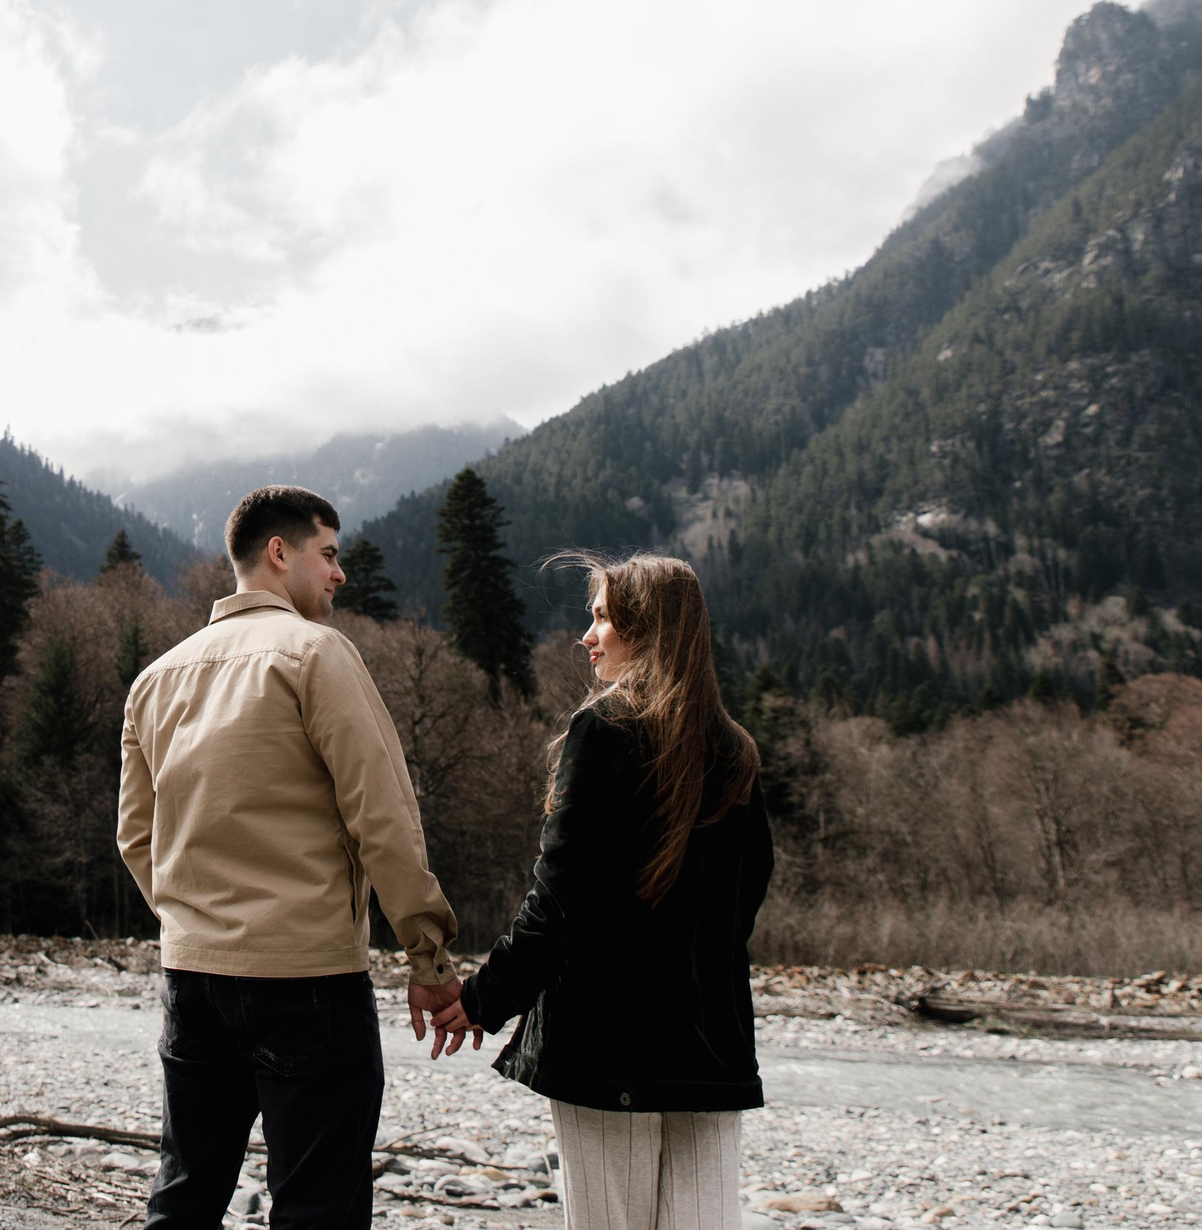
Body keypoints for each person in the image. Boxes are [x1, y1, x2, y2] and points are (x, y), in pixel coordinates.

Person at [118, 485, 463, 1230]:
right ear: (280, 552)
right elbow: (384, 816)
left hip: (193, 978)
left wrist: (197, 921)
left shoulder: (155, 678)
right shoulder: (316, 653)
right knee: (317, 1206)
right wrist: (428, 957)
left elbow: (135, 837)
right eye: (329, 553)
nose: (340, 572)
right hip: (307, 979)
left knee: (184, 1191)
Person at [432, 553, 772, 1230]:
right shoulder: (736, 750)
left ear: (645, 629)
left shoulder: (605, 730)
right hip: (712, 1047)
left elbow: (559, 900)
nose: (587, 636)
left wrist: (481, 999)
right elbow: (744, 904)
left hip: (605, 1040)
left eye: (601, 618)